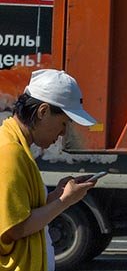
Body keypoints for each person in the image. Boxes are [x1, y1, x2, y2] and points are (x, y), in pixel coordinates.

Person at [1, 70, 98, 271]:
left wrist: (55, 197)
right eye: (63, 123)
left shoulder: (15, 146)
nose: (63, 133)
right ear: (43, 111)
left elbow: (21, 214)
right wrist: (65, 201)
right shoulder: (11, 152)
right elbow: (14, 229)